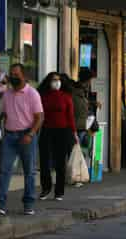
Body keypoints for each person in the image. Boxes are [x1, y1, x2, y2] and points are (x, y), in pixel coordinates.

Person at [0, 64, 43, 216]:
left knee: (29, 172)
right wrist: (1, 129)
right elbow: (3, 114)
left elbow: (39, 117)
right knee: (4, 171)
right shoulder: (7, 94)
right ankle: (0, 205)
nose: (13, 77)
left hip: (27, 135)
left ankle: (28, 204)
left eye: (16, 74)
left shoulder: (32, 94)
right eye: (11, 74)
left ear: (24, 76)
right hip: (9, 136)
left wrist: (30, 134)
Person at [38, 72, 77, 201]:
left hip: (62, 131)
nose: (56, 82)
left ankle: (59, 191)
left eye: (58, 80)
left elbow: (70, 116)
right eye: (54, 80)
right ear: (49, 82)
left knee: (60, 162)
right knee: (44, 161)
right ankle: (46, 188)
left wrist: (74, 133)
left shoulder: (66, 97)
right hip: (46, 130)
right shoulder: (43, 96)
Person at [72, 69, 91, 145]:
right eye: (89, 81)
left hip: (81, 126)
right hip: (78, 127)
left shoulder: (82, 91)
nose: (90, 83)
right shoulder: (78, 90)